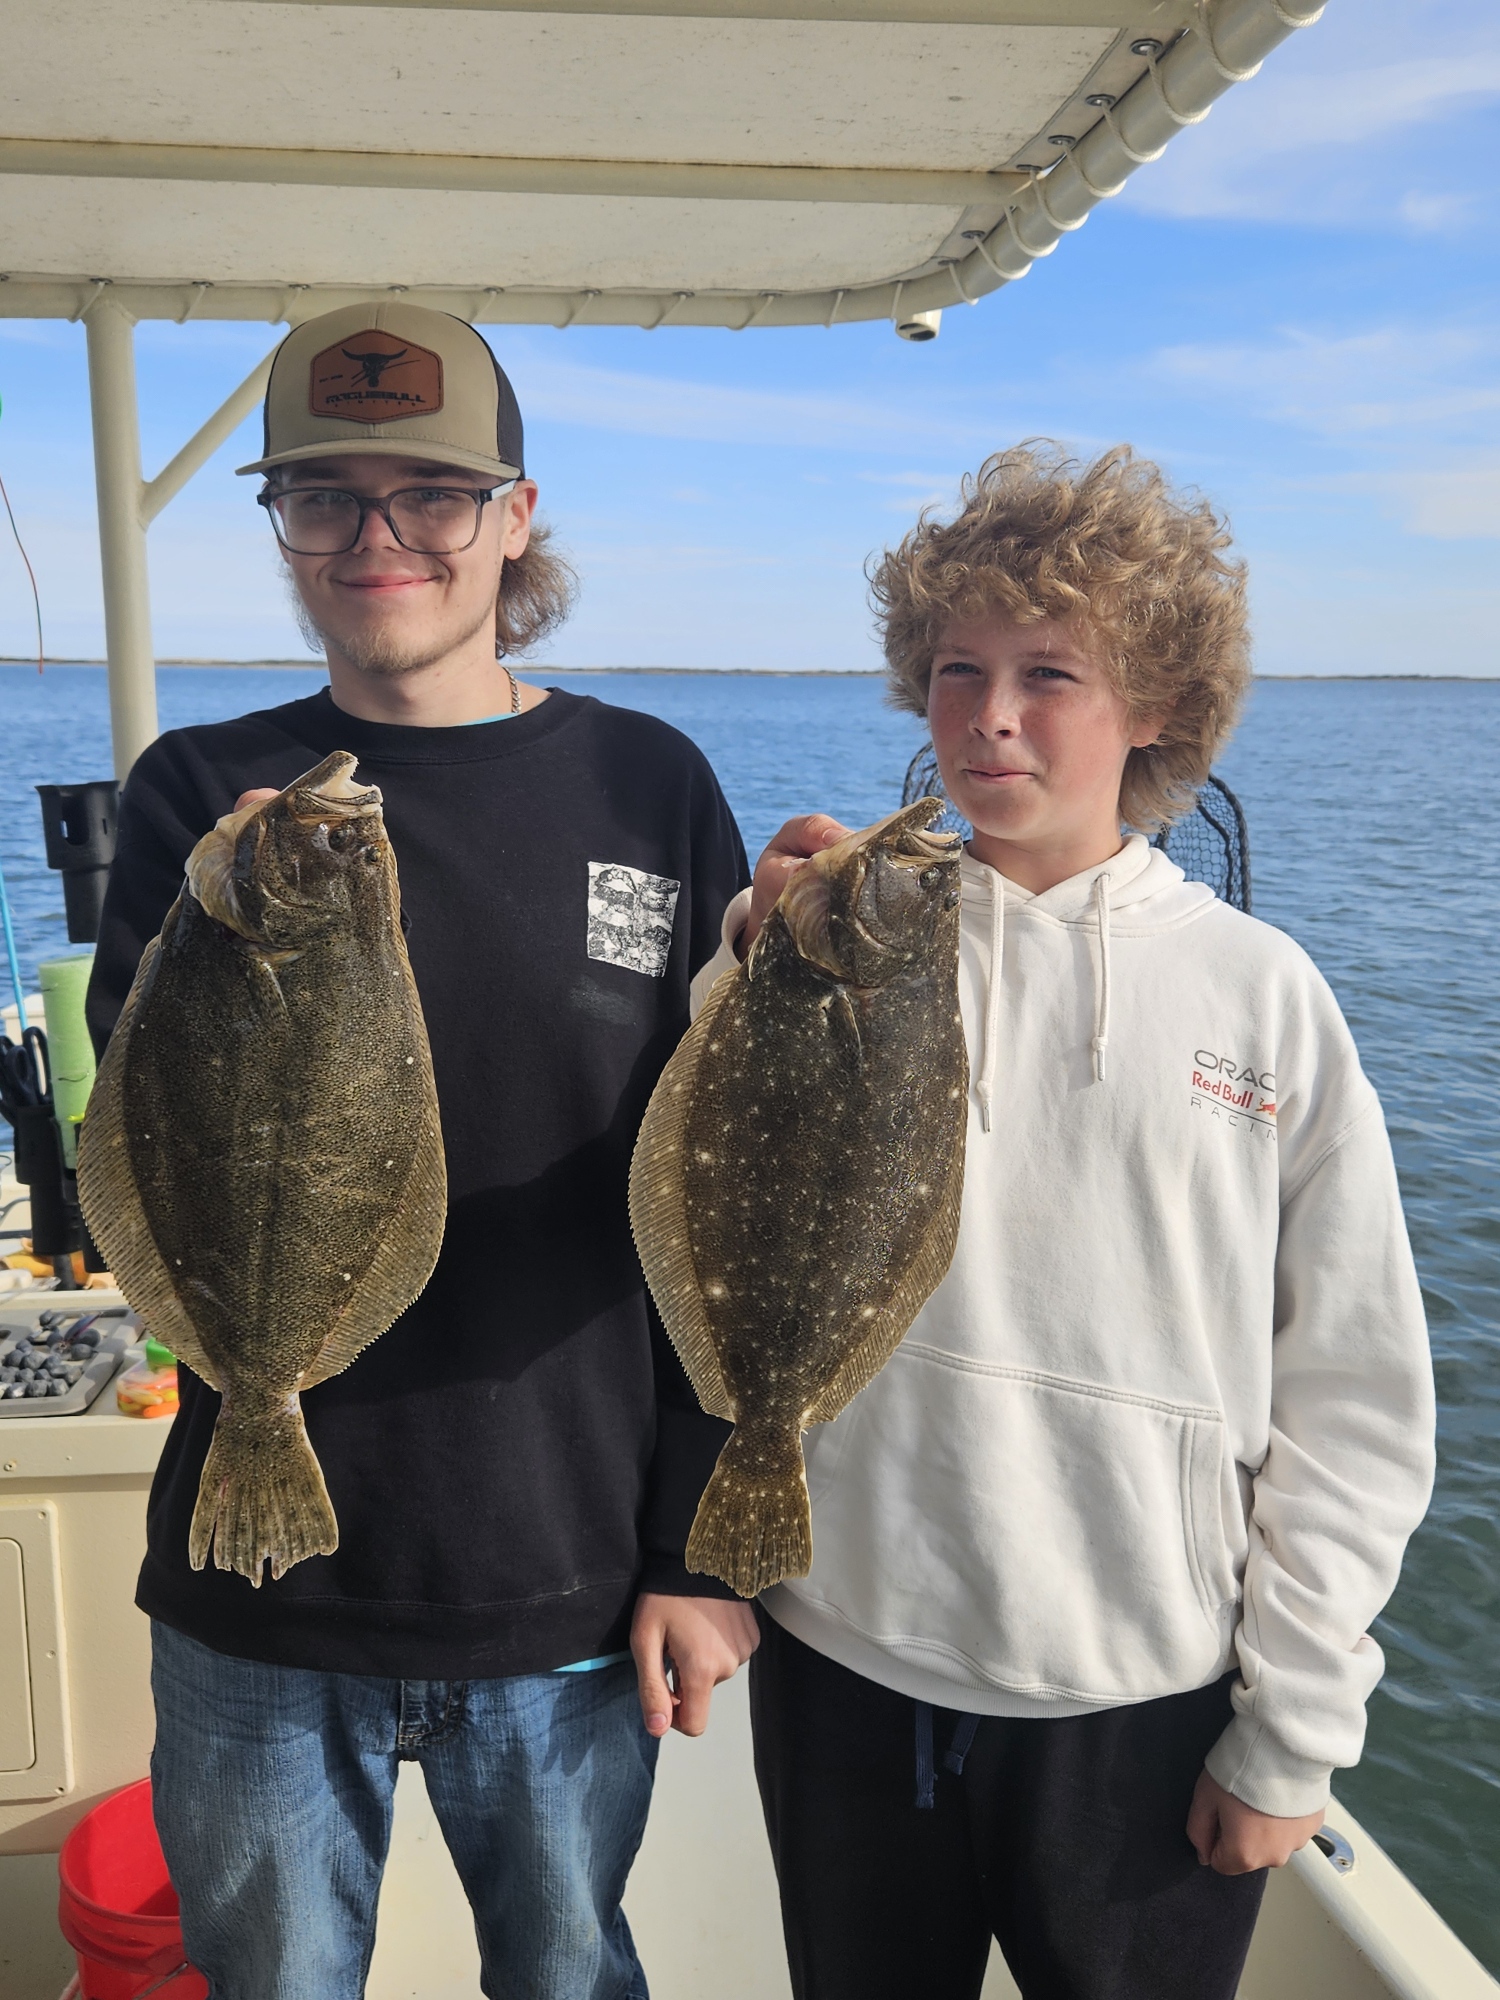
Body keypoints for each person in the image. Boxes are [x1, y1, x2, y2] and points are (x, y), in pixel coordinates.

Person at [699, 443, 1436, 2000]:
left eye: (1051, 672)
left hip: (1145, 1704)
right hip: (845, 1657)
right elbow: (710, 1203)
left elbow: (1356, 1397)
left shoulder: (1262, 994)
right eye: (957, 671)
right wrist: (746, 966)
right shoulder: (846, 940)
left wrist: (1293, 1727)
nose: (990, 717)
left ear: (1157, 702)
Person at [87, 300, 759, 2000]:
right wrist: (205, 921)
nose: (378, 540)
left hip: (566, 1585)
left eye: (432, 494)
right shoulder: (197, 795)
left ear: (514, 518)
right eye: (324, 498)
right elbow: (141, 1136)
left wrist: (695, 1548)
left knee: (567, 1973)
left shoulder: (646, 782)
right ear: (285, 531)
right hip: (258, 1589)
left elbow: (722, 1195)